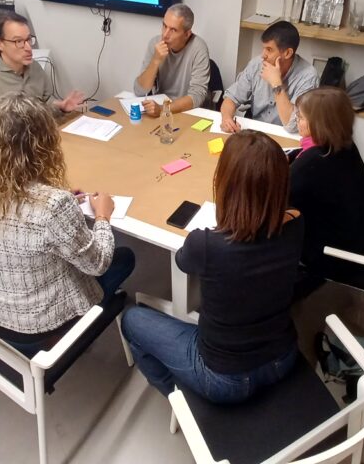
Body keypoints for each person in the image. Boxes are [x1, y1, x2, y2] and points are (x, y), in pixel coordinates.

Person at [122, 130, 303, 404]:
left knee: (132, 320)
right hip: (284, 358)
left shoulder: (206, 244)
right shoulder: (296, 223)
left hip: (225, 380)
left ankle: (181, 402)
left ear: (225, 183)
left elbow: (182, 262)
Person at [0, 92, 134, 357]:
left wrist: (52, 200)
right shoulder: (52, 206)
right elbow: (98, 264)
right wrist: (103, 215)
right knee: (124, 258)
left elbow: (10, 219)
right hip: (44, 325)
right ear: (44, 145)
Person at [289, 87, 364, 294]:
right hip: (355, 238)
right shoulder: (344, 146)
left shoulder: (313, 163)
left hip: (331, 256)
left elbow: (277, 201)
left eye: (301, 117)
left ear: (319, 124)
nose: (297, 121)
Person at [0, 10, 84, 121]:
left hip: (41, 130)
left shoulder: (35, 67)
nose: (28, 48)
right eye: (18, 41)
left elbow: (46, 102)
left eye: (28, 39)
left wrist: (61, 106)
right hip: (12, 135)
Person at [220, 20, 318, 134]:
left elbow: (292, 126)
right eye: (263, 48)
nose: (263, 55)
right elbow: (231, 98)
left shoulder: (308, 77)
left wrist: (276, 84)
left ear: (287, 53)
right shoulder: (257, 64)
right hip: (256, 133)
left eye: (269, 50)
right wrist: (226, 119)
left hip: (286, 135)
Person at [133, 3, 210, 117]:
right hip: (160, 109)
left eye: (173, 30)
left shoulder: (199, 48)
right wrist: (155, 61)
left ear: (187, 34)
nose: (165, 35)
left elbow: (197, 96)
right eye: (164, 26)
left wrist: (164, 109)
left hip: (186, 112)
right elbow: (139, 91)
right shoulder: (155, 43)